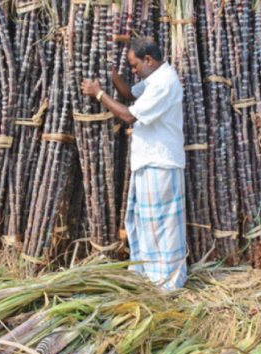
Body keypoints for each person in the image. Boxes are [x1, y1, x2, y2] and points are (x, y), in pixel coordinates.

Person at [80, 37, 187, 291]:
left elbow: (128, 115)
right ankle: (151, 277)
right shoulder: (154, 80)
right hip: (150, 162)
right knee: (146, 224)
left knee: (162, 226)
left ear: (148, 59)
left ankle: (167, 282)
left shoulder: (165, 82)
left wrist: (99, 94)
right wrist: (113, 72)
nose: (134, 70)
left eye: (135, 65)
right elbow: (128, 93)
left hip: (161, 163)